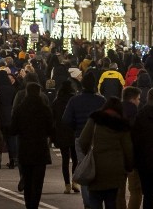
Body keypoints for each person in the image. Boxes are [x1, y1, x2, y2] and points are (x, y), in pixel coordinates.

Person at [78, 97, 133, 209]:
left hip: (96, 167)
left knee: (95, 199)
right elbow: (128, 149)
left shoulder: (95, 119)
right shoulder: (122, 125)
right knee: (111, 201)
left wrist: (88, 153)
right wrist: (128, 166)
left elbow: (83, 140)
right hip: (115, 169)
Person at [63, 71, 106, 207]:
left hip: (80, 137)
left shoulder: (74, 100)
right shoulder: (101, 101)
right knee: (98, 169)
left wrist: (76, 126)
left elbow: (66, 119)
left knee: (84, 168)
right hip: (98, 138)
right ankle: (97, 200)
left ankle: (88, 203)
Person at [9, 82, 54, 209]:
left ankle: (29, 205)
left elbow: (13, 130)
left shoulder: (20, 109)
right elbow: (51, 130)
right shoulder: (45, 109)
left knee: (27, 182)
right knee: (38, 183)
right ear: (39, 92)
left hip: (24, 149)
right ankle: (34, 205)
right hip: (40, 150)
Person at [51, 80, 79, 194]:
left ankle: (67, 184)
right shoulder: (75, 100)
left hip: (61, 132)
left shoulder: (56, 101)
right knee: (75, 159)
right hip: (73, 132)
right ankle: (75, 182)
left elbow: (52, 117)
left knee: (65, 159)